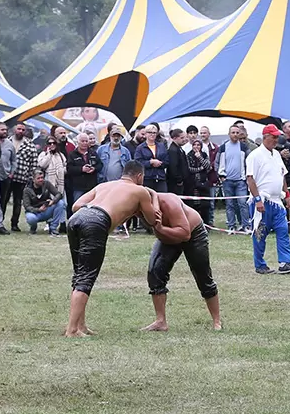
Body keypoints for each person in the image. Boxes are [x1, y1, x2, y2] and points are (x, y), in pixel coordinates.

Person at [62, 160, 162, 338]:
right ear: (139, 176)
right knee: (86, 277)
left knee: (79, 274)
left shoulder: (104, 185)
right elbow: (153, 220)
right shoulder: (140, 191)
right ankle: (72, 330)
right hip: (96, 222)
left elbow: (76, 205)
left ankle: (80, 325)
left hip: (77, 218)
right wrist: (153, 195)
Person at [142, 191, 221, 332]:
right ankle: (160, 322)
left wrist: (160, 228)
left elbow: (185, 234)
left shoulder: (169, 201)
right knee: (155, 271)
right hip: (167, 237)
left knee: (202, 276)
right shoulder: (138, 205)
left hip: (192, 232)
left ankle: (217, 321)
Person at [247, 124, 290, 275]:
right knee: (260, 235)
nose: (276, 140)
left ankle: (285, 262)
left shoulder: (276, 155)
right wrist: (257, 200)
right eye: (273, 137)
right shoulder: (254, 156)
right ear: (265, 137)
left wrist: (287, 195)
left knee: (283, 230)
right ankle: (260, 265)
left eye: (277, 137)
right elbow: (250, 179)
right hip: (262, 200)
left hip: (277, 201)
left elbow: (282, 176)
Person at [217, 125, 251, 233]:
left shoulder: (244, 147)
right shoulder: (223, 147)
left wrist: (247, 176)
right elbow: (217, 162)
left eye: (237, 132)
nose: (235, 135)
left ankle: (246, 225)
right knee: (229, 204)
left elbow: (249, 161)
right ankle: (231, 226)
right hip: (227, 181)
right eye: (233, 132)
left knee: (243, 203)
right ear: (229, 134)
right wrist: (221, 176)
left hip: (241, 180)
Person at [65, 131, 103, 215]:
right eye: (82, 141)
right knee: (77, 207)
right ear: (78, 142)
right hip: (78, 187)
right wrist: (81, 169)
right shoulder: (72, 154)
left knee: (92, 207)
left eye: (86, 141)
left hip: (92, 186)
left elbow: (100, 165)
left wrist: (94, 169)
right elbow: (69, 169)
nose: (85, 143)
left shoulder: (93, 153)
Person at [9, 123, 38, 232]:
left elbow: (33, 164)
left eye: (23, 129)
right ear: (14, 130)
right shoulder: (7, 141)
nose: (20, 131)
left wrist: (30, 178)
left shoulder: (30, 145)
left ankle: (14, 224)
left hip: (22, 178)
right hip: (7, 177)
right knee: (2, 200)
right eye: (19, 129)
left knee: (18, 202)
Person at [23, 169, 66, 234]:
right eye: (38, 178)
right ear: (33, 179)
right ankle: (33, 228)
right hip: (34, 212)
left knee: (61, 203)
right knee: (31, 218)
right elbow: (27, 207)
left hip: (46, 209)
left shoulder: (46, 184)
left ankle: (53, 228)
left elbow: (58, 194)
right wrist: (38, 209)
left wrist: (53, 201)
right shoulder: (27, 190)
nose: (41, 180)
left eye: (42, 178)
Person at [134, 124, 168, 193]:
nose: (152, 134)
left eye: (154, 133)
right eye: (150, 132)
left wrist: (159, 163)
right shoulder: (140, 148)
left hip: (160, 178)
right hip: (147, 178)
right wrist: (150, 163)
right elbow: (138, 162)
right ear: (146, 134)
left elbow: (167, 161)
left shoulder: (161, 146)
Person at [185, 138, 212, 224]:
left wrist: (200, 157)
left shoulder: (204, 155)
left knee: (205, 205)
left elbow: (208, 167)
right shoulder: (188, 155)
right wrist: (200, 169)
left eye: (198, 145)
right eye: (194, 145)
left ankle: (206, 223)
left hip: (203, 182)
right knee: (194, 204)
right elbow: (189, 169)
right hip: (192, 183)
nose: (196, 146)